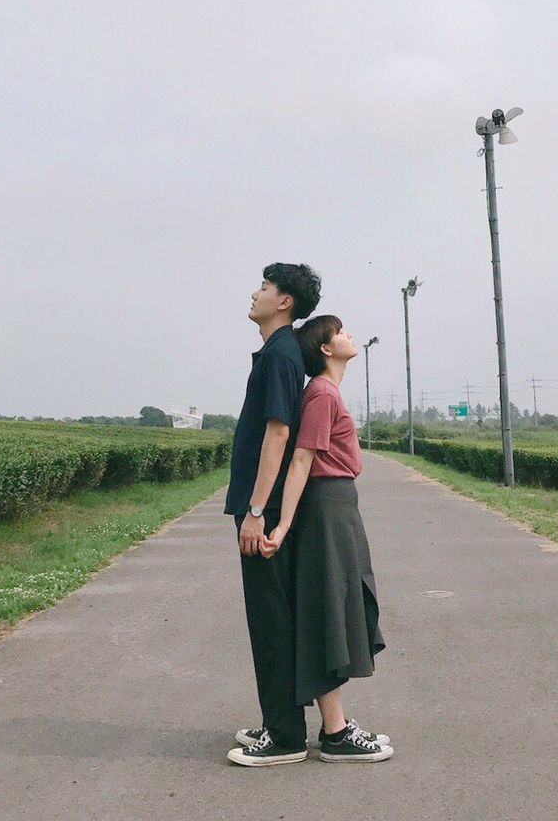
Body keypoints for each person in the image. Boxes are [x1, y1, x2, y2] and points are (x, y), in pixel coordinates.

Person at [257, 314, 392, 763]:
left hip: (337, 507)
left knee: (335, 607)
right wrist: (282, 524)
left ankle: (336, 727)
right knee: (326, 611)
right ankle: (335, 732)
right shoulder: (319, 393)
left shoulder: (327, 392)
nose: (349, 334)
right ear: (327, 349)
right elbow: (301, 460)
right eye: (340, 331)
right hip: (324, 509)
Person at [225, 263, 321, 768]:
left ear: (284, 302)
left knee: (271, 619)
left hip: (264, 508)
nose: (255, 292)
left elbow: (279, 435)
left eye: (264, 286)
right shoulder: (276, 353)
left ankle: (285, 737)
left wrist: (256, 512)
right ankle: (276, 722)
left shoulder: (282, 354)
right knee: (267, 618)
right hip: (260, 505)